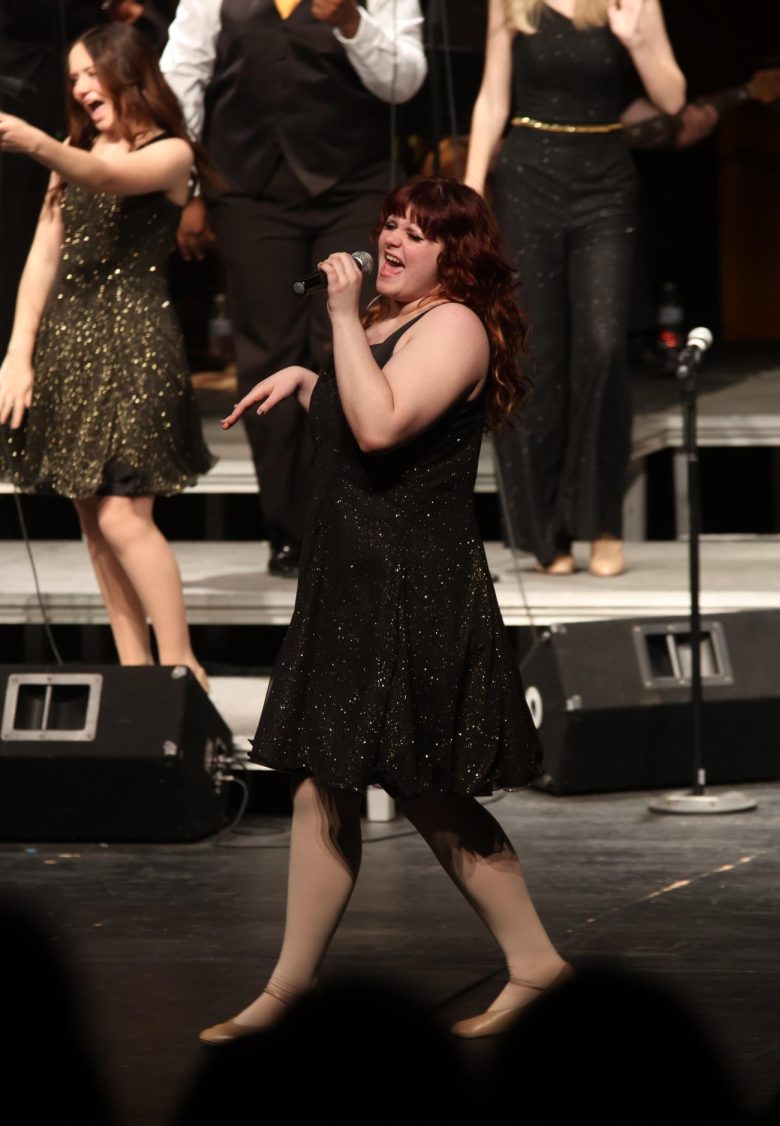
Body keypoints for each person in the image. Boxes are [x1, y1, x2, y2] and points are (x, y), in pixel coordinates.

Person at [198, 177, 572, 1046]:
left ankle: (536, 963)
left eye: (418, 232)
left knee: (428, 790)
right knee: (324, 778)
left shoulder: (456, 325)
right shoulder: (381, 324)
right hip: (352, 582)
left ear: (457, 255)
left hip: (417, 587)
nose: (392, 240)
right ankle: (289, 990)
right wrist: (310, 376)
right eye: (391, 224)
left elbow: (382, 424)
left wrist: (333, 325)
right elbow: (358, 397)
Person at [160, 0, 427, 577]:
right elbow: (182, 79)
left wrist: (352, 23)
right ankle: (290, 531)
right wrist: (189, 187)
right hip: (249, 191)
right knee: (269, 353)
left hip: (351, 184)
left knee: (349, 346)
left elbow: (406, 81)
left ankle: (361, 522)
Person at [0, 23, 215, 688]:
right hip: (69, 344)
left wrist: (28, 139)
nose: (80, 87)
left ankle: (182, 669)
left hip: (135, 345)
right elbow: (44, 252)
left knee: (125, 513)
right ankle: (135, 677)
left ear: (126, 71)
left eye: (89, 72)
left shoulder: (171, 152)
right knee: (92, 518)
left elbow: (109, 175)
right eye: (71, 79)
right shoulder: (74, 147)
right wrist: (18, 353)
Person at [465, 0, 685, 576]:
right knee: (536, 352)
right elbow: (493, 94)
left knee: (606, 344)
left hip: (605, 180)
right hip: (528, 175)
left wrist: (635, 41)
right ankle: (546, 530)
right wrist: (471, 186)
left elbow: (673, 98)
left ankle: (601, 520)